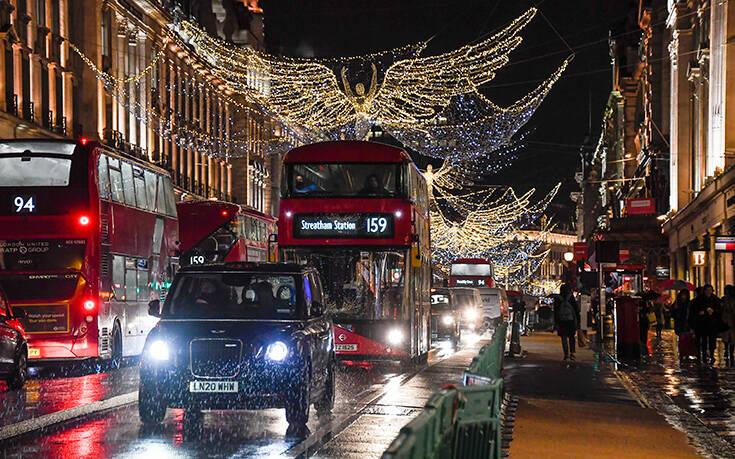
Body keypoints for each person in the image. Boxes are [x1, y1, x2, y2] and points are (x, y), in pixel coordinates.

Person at [689, 284, 721, 365]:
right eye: (707, 290)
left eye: (710, 290)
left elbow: (719, 309)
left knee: (712, 340)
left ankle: (711, 354)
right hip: (701, 323)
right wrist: (701, 312)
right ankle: (703, 355)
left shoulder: (715, 299)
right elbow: (694, 311)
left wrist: (714, 311)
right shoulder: (698, 300)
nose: (708, 292)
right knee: (703, 340)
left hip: (712, 323)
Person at [553, 284, 580, 361]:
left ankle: (566, 354)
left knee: (563, 337)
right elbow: (576, 309)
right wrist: (578, 320)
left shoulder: (558, 298)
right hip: (570, 320)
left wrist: (556, 322)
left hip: (561, 321)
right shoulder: (571, 297)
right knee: (571, 337)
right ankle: (572, 353)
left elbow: (556, 311)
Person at [720, 285, 735, 365]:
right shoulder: (723, 299)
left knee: (732, 338)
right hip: (725, 320)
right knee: (726, 337)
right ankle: (727, 350)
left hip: (732, 320)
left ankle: (731, 352)